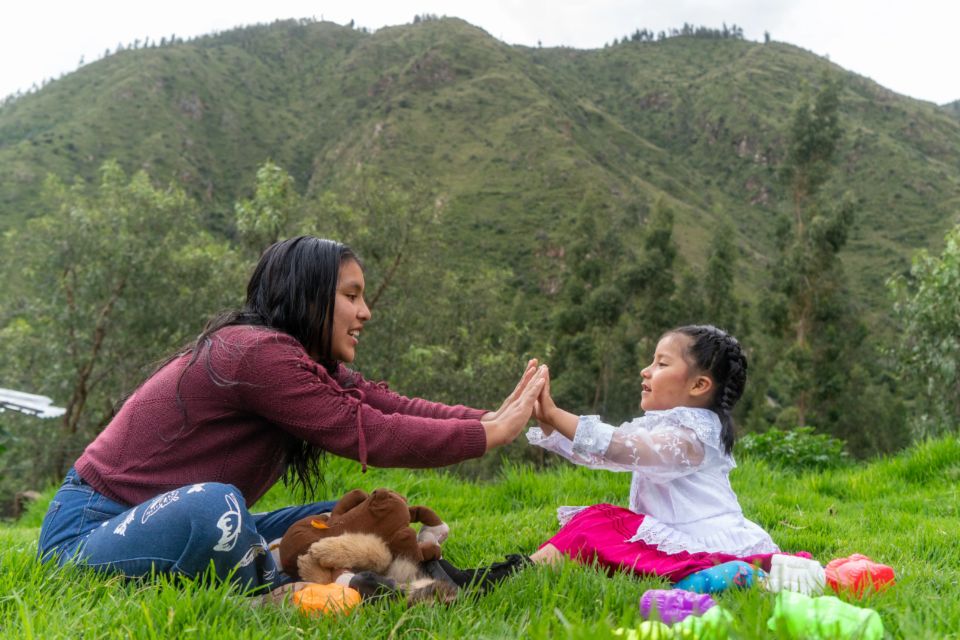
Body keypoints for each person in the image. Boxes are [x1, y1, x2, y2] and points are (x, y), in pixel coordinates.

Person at [37, 236, 546, 595]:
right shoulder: (254, 353)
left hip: (163, 521)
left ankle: (437, 581)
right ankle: (296, 589)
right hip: (87, 533)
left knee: (354, 513)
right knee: (216, 506)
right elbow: (368, 431)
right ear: (308, 297)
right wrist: (491, 435)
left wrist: (489, 419)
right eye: (351, 296)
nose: (365, 311)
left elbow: (389, 406)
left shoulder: (302, 361)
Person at [524, 325, 790, 583]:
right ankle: (523, 569)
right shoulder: (668, 425)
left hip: (700, 545)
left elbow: (621, 447)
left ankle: (520, 570)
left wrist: (556, 414)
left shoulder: (694, 434)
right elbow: (606, 454)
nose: (646, 371)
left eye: (661, 364)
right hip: (669, 538)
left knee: (599, 521)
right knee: (597, 522)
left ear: (698, 385)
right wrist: (549, 421)